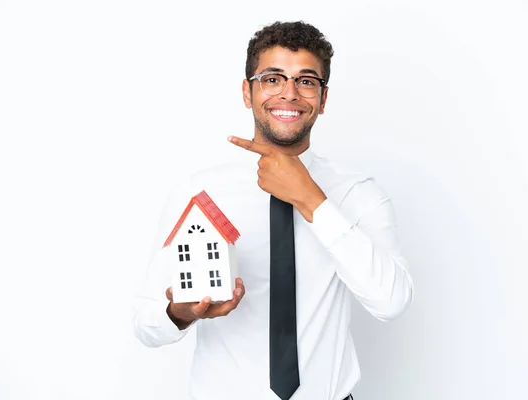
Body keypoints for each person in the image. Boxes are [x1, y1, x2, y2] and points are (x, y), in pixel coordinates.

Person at [132, 20, 414, 400]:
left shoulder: (358, 193)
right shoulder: (199, 193)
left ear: (323, 98)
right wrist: (180, 314)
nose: (289, 93)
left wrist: (311, 199)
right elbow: (145, 324)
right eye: (272, 78)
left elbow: (392, 302)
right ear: (248, 93)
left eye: (306, 81)